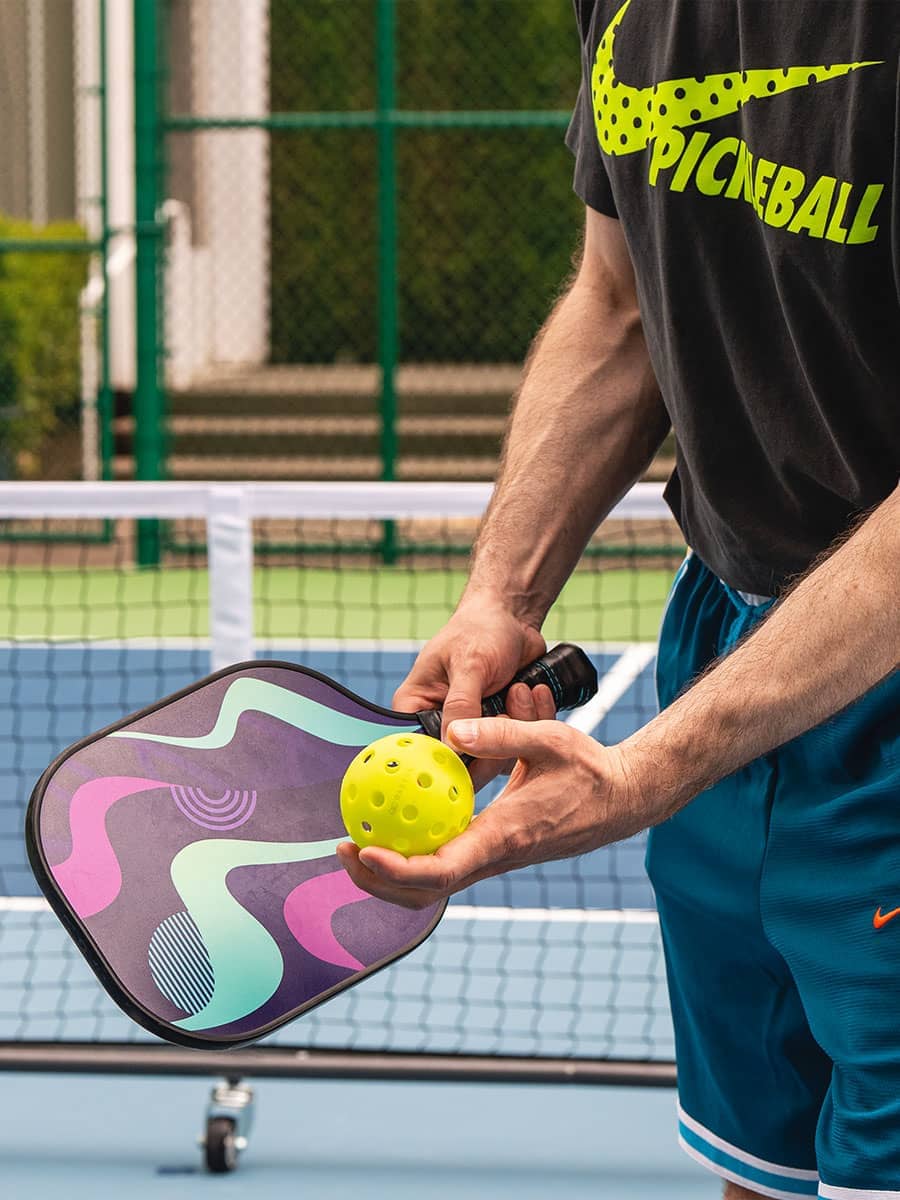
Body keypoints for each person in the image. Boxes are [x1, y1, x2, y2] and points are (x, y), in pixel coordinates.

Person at [338, 2, 900, 1195]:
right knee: (762, 1163)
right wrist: (505, 587)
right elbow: (618, 298)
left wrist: (646, 771)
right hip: (726, 633)